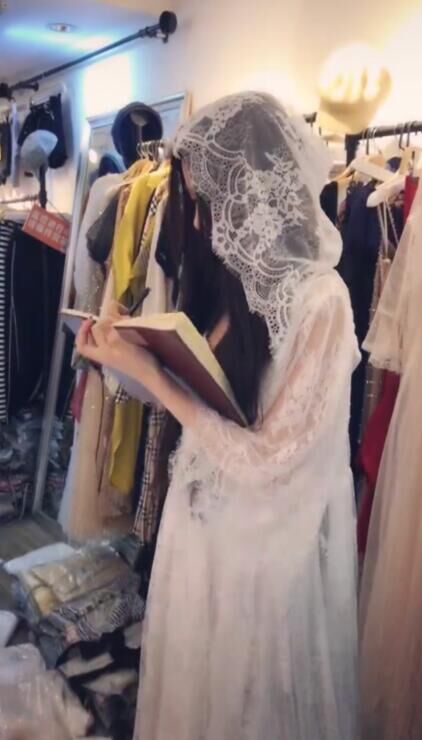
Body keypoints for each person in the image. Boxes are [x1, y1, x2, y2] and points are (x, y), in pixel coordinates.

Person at [76, 92, 360, 740]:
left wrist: (155, 376)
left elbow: (268, 458)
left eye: (206, 201)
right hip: (200, 534)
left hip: (262, 561)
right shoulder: (234, 286)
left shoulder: (323, 302)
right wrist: (121, 355)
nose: (201, 224)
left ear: (251, 190)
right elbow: (206, 406)